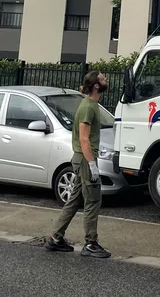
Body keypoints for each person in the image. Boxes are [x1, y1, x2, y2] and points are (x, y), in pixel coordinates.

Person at [45, 71, 111, 258]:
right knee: (92, 201)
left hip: (82, 159)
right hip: (84, 159)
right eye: (102, 78)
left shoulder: (91, 105)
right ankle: (91, 243)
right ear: (96, 86)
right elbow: (84, 138)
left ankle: (55, 237)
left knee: (74, 201)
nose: (106, 79)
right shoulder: (88, 107)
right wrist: (92, 165)